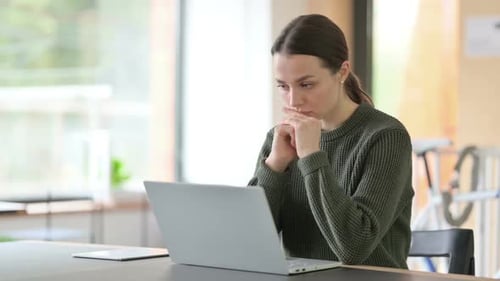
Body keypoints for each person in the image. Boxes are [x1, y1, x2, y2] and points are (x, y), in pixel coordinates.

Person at [248, 14, 414, 269]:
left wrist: (311, 156)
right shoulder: (278, 139)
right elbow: (249, 241)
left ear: (342, 72)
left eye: (306, 84)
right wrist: (274, 166)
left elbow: (353, 248)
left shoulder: (386, 137)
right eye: (283, 86)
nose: (293, 101)